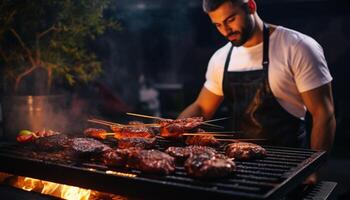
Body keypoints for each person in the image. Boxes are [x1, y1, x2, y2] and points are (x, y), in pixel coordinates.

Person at [178, 0, 336, 182]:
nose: (225, 30)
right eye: (218, 25)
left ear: (251, 6)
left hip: (289, 166)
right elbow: (201, 108)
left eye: (230, 19)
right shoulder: (220, 58)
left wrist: (313, 169)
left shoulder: (297, 47)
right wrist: (169, 130)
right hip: (237, 168)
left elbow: (323, 113)